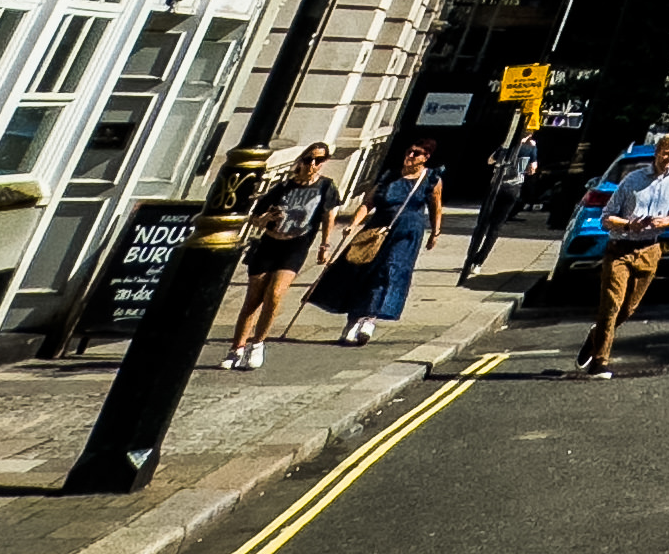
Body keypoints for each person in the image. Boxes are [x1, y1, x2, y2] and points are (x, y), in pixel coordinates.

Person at [579, 134, 669, 379]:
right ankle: (599, 362)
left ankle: (596, 335)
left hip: (650, 250)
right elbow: (606, 218)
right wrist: (630, 225)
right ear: (657, 152)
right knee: (611, 305)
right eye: (666, 153)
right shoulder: (633, 179)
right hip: (620, 248)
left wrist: (666, 221)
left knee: (628, 309)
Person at [223, 144, 342, 369]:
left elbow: (329, 217)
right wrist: (264, 219)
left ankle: (257, 344)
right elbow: (255, 217)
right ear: (301, 160)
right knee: (253, 298)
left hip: (295, 245)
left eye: (318, 160)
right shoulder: (283, 187)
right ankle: (236, 348)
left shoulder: (326, 186)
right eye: (308, 159)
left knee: (275, 294)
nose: (312, 165)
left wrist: (325, 245)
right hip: (269, 243)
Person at [317, 143, 445, 344]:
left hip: (406, 234)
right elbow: (368, 203)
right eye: (409, 151)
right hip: (376, 231)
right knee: (362, 273)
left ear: (426, 157)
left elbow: (436, 207)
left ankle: (369, 319)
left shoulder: (431, 179)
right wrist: (353, 224)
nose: (411, 155)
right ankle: (353, 321)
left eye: (417, 153)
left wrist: (435, 233)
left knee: (388, 272)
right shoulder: (389, 177)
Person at [469, 122, 539, 276]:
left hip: (495, 187)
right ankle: (479, 261)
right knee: (495, 227)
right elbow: (533, 168)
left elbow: (490, 160)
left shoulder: (506, 146)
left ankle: (471, 256)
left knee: (482, 224)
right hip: (513, 188)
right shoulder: (531, 148)